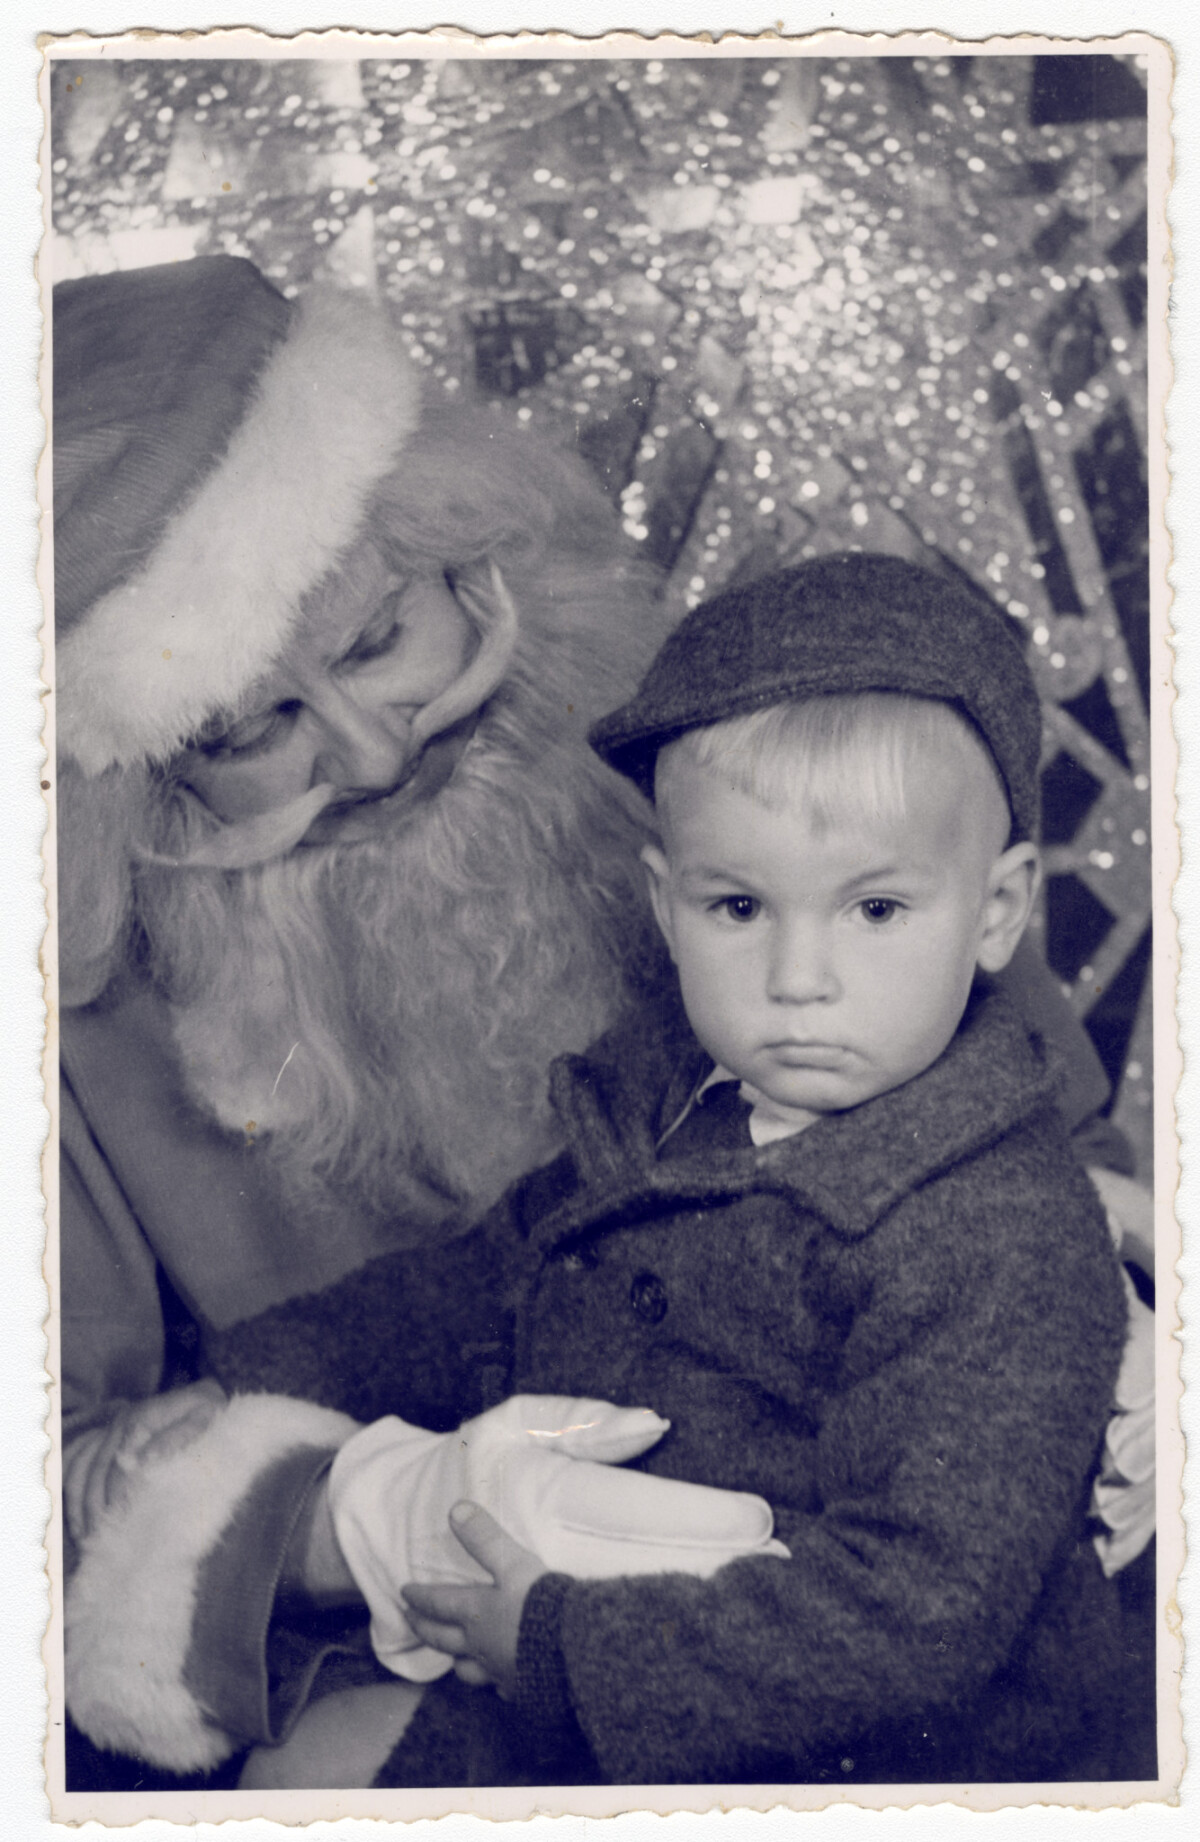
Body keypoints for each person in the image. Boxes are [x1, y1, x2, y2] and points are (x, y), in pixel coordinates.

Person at [66, 555, 1151, 1787]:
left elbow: (919, 1620)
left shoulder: (1000, 1232)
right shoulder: (669, 1086)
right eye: (739, 909)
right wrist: (259, 1375)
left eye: (876, 912)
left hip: (864, 1741)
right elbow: (491, 1275)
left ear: (998, 913)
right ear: (666, 901)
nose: (799, 980)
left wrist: (564, 1648)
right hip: (574, 1641)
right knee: (302, 1778)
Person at [54, 255, 669, 1584]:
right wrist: (359, 1527)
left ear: (464, 557)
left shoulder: (708, 736)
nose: (377, 759)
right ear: (138, 780)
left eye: (379, 640)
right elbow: (52, 1477)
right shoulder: (74, 1041)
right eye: (250, 733)